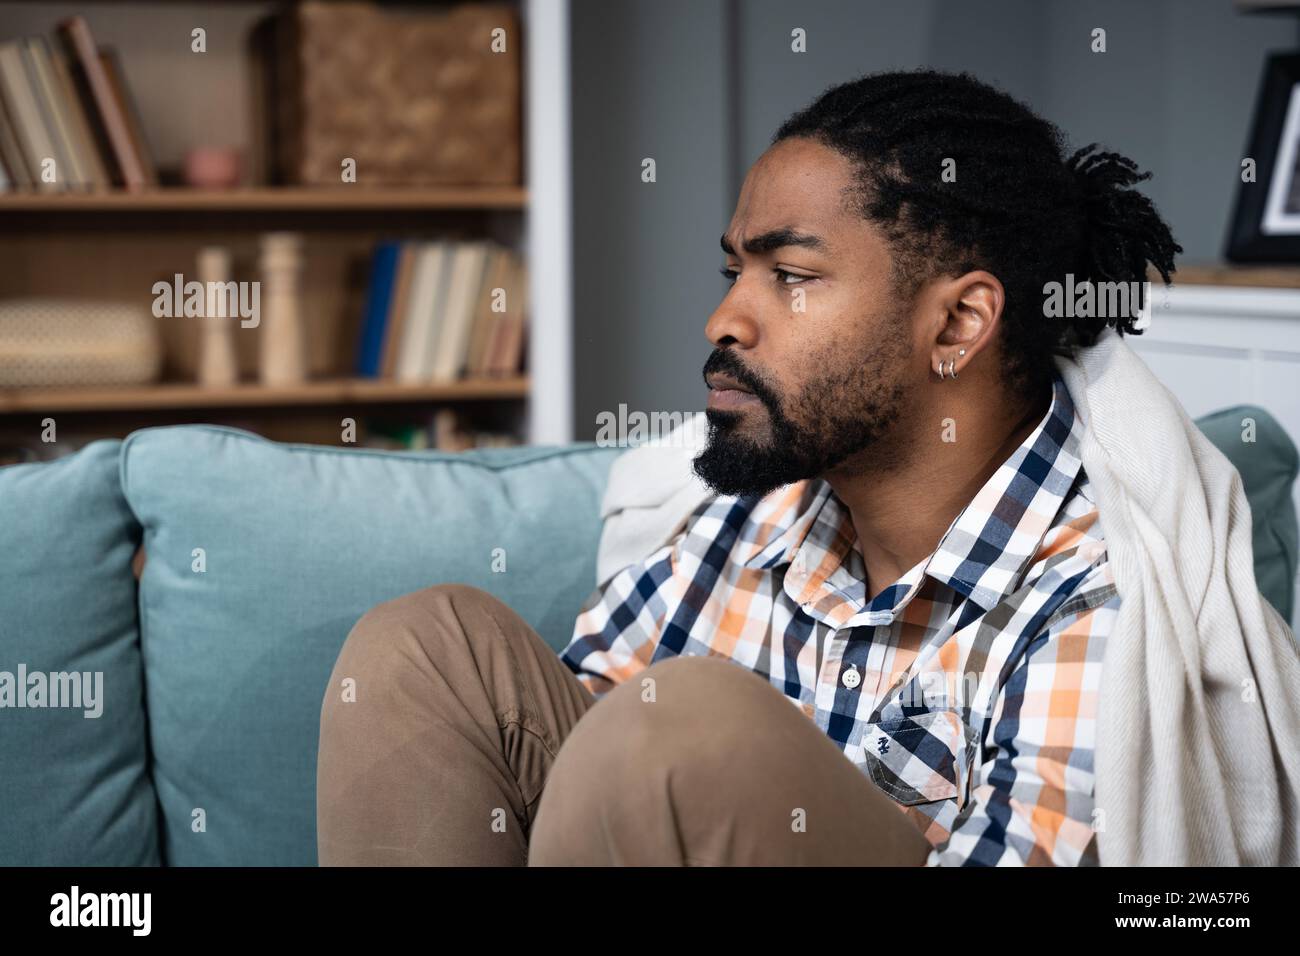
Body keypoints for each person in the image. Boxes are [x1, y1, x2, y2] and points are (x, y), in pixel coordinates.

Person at [316, 69, 1181, 866]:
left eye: (790, 274)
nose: (723, 319)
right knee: (425, 650)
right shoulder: (761, 517)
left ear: (957, 325)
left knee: (685, 729)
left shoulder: (1093, 600)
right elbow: (568, 759)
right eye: (736, 270)